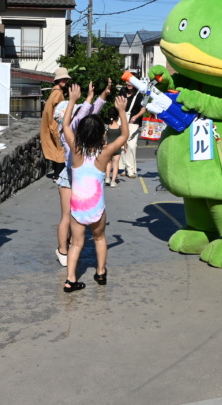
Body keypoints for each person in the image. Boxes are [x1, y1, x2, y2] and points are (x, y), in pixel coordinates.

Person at [61, 85, 129, 292]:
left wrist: (73, 100)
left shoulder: (77, 151)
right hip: (97, 208)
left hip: (78, 208)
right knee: (99, 238)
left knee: (76, 244)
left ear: (80, 132)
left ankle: (70, 280)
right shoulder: (105, 153)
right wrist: (122, 111)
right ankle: (100, 273)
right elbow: (124, 135)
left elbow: (65, 126)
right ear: (101, 133)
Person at [52, 79, 111, 267]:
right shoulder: (70, 130)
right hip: (71, 177)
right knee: (67, 217)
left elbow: (90, 115)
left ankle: (68, 248)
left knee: (69, 217)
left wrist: (98, 97)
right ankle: (63, 249)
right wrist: (77, 100)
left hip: (72, 177)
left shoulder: (75, 132)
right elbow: (81, 117)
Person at [40, 67, 70, 181]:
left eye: (66, 79)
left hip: (52, 125)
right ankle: (57, 175)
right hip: (56, 125)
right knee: (61, 150)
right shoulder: (58, 94)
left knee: (56, 150)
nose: (65, 81)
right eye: (63, 79)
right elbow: (58, 111)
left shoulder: (54, 92)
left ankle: (56, 174)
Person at [118, 80, 146, 179]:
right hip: (122, 120)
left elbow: (143, 109)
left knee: (131, 145)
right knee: (122, 145)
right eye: (127, 82)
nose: (129, 84)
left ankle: (130, 170)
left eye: (131, 82)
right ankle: (124, 168)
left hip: (133, 123)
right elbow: (117, 103)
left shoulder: (139, 95)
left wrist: (136, 116)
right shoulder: (122, 91)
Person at [104, 107, 123, 188]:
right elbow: (123, 137)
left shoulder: (107, 126)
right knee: (116, 164)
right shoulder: (120, 127)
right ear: (117, 116)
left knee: (108, 163)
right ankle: (113, 181)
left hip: (108, 146)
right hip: (117, 147)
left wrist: (104, 143)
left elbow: (104, 136)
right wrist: (125, 146)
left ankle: (107, 178)